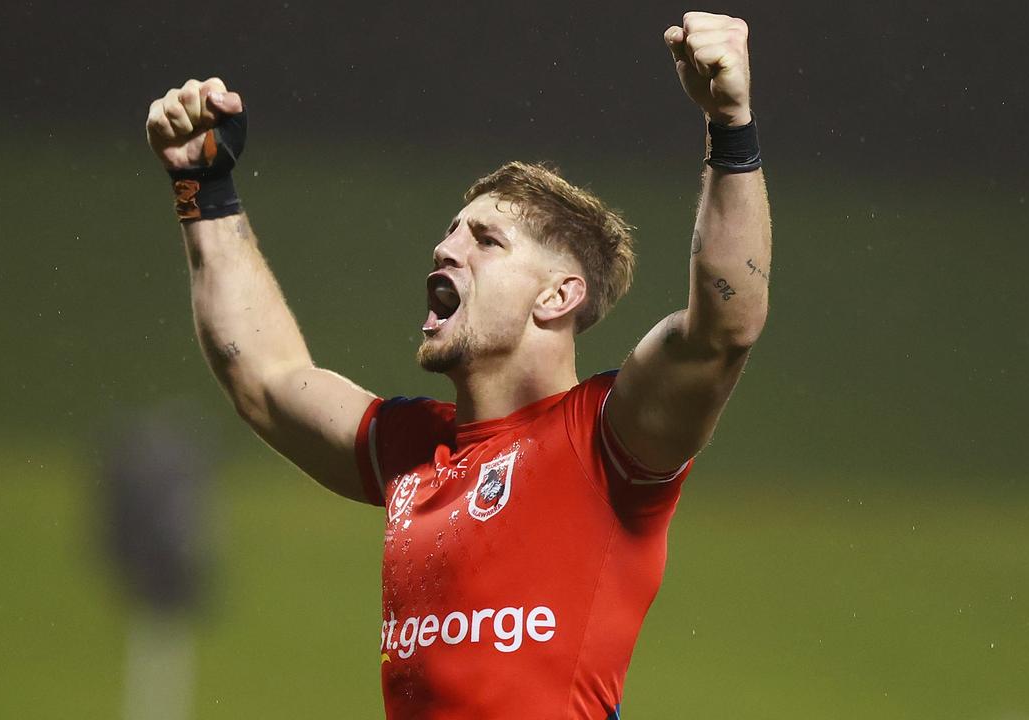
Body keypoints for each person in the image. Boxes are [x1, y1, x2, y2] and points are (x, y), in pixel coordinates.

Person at [145, 11, 770, 719]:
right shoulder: (412, 451)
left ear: (559, 296)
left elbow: (723, 328)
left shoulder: (608, 441)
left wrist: (731, 123)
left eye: (486, 240)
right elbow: (264, 378)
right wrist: (203, 190)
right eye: (449, 233)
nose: (446, 251)